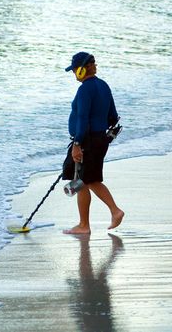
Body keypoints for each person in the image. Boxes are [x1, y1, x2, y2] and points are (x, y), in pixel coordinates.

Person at [62, 51, 125, 235]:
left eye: (74, 70)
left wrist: (77, 144)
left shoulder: (84, 89)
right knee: (84, 180)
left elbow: (82, 118)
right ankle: (86, 223)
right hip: (100, 139)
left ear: (82, 70)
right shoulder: (104, 86)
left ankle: (104, 216)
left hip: (86, 141)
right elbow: (113, 116)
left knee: (86, 180)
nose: (74, 74)